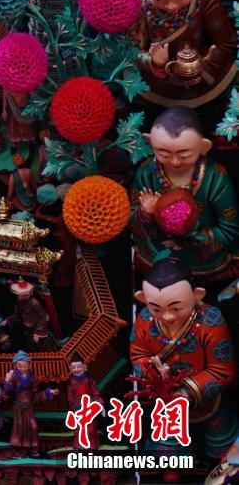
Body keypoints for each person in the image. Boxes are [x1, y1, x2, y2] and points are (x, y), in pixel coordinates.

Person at [131, 258, 237, 462]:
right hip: (167, 398)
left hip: (209, 397)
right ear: (143, 299)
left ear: (197, 296)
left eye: (176, 308)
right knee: (167, 453)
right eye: (156, 309)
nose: (167, 317)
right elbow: (138, 355)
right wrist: (155, 376)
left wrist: (187, 391)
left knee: (223, 447)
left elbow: (223, 370)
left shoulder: (210, 319)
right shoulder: (145, 319)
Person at [132, 106, 239, 286]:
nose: (175, 162)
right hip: (158, 251)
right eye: (164, 154)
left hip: (204, 257)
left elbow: (230, 228)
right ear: (150, 143)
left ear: (204, 147)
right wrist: (145, 213)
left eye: (184, 155)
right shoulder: (146, 172)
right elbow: (129, 216)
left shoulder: (215, 177)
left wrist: (191, 240)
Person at [132, 0, 238, 109]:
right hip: (156, 79)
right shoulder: (141, 3)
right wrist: (154, 62)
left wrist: (199, 68)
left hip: (201, 70)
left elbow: (226, 42)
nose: (171, 6)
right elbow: (131, 50)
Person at [2, 351, 56, 457]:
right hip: (18, 406)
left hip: (29, 406)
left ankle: (33, 448)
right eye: (20, 366)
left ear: (29, 364)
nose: (23, 368)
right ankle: (17, 449)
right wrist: (7, 381)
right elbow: (6, 394)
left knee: (33, 426)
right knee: (19, 428)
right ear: (15, 365)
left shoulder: (32, 377)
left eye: (25, 365)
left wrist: (48, 392)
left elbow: (35, 395)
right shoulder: (13, 377)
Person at [4, 279, 58, 351]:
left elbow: (44, 316)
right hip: (27, 328)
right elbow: (18, 314)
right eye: (19, 294)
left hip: (38, 328)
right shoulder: (19, 302)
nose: (21, 296)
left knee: (45, 348)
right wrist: (9, 319)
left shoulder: (34, 302)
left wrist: (38, 332)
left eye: (24, 294)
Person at [67, 354, 101, 450]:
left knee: (90, 429)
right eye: (74, 367)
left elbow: (96, 393)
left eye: (79, 367)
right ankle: (79, 446)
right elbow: (70, 397)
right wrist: (74, 405)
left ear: (84, 367)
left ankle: (92, 446)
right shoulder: (71, 383)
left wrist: (95, 403)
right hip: (78, 409)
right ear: (70, 369)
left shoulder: (89, 381)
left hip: (89, 409)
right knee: (79, 429)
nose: (76, 369)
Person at [1, 90, 36, 156]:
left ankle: (32, 142)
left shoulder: (28, 83)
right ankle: (13, 145)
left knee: (28, 125)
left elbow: (33, 94)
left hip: (26, 105)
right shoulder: (7, 83)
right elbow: (5, 95)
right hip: (13, 106)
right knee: (13, 125)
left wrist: (32, 94)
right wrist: (4, 110)